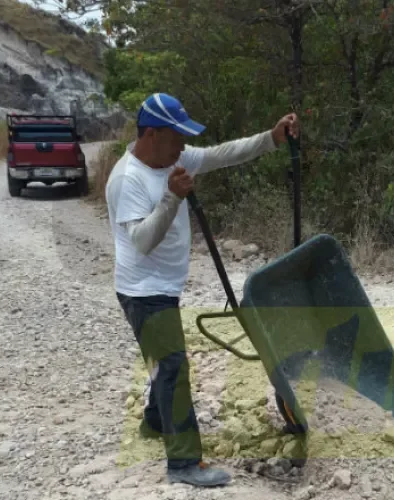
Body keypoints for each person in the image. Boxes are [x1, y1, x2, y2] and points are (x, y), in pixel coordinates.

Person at [105, 92, 299, 487]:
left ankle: (154, 422)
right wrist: (173, 198)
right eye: (176, 136)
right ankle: (183, 464)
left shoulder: (171, 156)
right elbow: (142, 241)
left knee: (164, 360)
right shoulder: (128, 179)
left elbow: (220, 154)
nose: (183, 145)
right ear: (153, 133)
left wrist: (271, 138)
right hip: (143, 291)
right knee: (173, 365)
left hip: (163, 285)